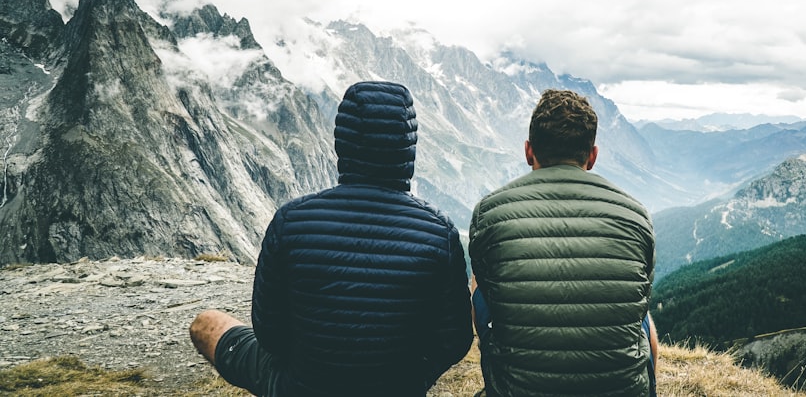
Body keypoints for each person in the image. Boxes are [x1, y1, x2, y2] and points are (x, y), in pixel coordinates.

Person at [189, 81, 473, 396]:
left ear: (341, 143)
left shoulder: (291, 220)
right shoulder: (439, 232)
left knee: (206, 323)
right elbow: (455, 341)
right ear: (408, 146)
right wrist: (411, 378)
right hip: (397, 387)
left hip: (299, 386)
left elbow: (269, 336)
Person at [469, 89, 658, 397]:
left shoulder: (490, 213)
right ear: (592, 156)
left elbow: (489, 293)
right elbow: (641, 295)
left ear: (529, 151)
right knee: (640, 313)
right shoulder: (636, 215)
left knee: (479, 281)